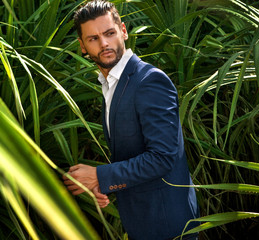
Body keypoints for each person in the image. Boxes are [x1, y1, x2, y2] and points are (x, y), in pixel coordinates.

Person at [63, 1, 199, 239]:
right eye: (93, 38)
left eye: (109, 33)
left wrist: (100, 176)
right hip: (143, 223)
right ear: (82, 46)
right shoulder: (110, 84)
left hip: (168, 226)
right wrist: (103, 185)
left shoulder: (149, 81)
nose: (104, 43)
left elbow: (163, 157)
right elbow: (132, 156)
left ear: (123, 31)